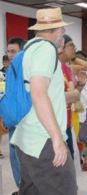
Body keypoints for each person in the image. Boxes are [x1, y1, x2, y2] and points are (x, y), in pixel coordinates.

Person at [10, 8, 77, 195]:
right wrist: (57, 139)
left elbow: (38, 91)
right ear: (60, 30)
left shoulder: (29, 48)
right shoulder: (46, 49)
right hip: (44, 140)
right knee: (65, 190)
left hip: (27, 137)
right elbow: (39, 93)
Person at [1, 37, 26, 194]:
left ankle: (25, 188)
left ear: (22, 52)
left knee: (21, 159)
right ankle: (22, 188)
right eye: (8, 51)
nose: (10, 55)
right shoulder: (10, 71)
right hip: (12, 122)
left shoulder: (25, 71)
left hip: (23, 123)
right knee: (14, 158)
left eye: (13, 51)